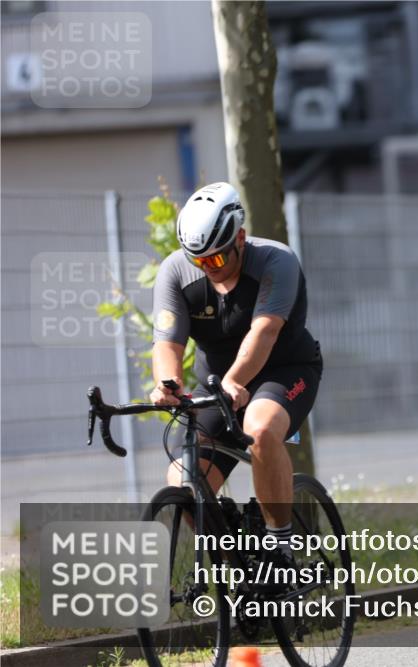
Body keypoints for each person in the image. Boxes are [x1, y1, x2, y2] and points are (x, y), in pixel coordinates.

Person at [149, 181, 321, 569]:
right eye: (198, 261)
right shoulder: (176, 271)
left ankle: (280, 548)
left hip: (284, 369)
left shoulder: (276, 262)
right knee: (185, 482)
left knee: (260, 430)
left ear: (240, 237)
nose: (208, 269)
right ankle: (242, 569)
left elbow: (264, 331)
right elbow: (167, 344)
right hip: (217, 381)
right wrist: (168, 384)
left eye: (216, 259)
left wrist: (236, 379)